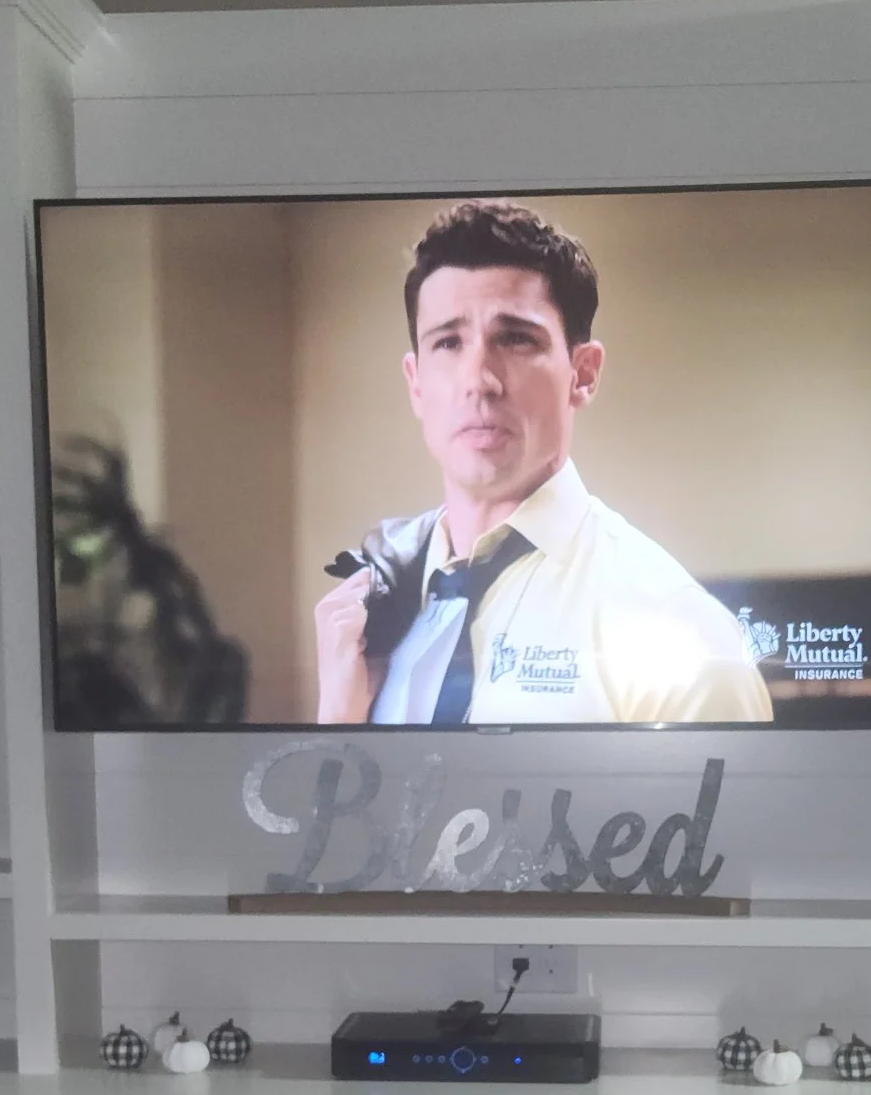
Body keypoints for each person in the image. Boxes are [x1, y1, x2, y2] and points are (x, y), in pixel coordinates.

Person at [313, 199, 773, 728]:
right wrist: (336, 729)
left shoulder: (681, 631)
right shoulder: (374, 616)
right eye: (448, 342)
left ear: (583, 373)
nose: (479, 378)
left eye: (515, 339)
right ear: (416, 383)